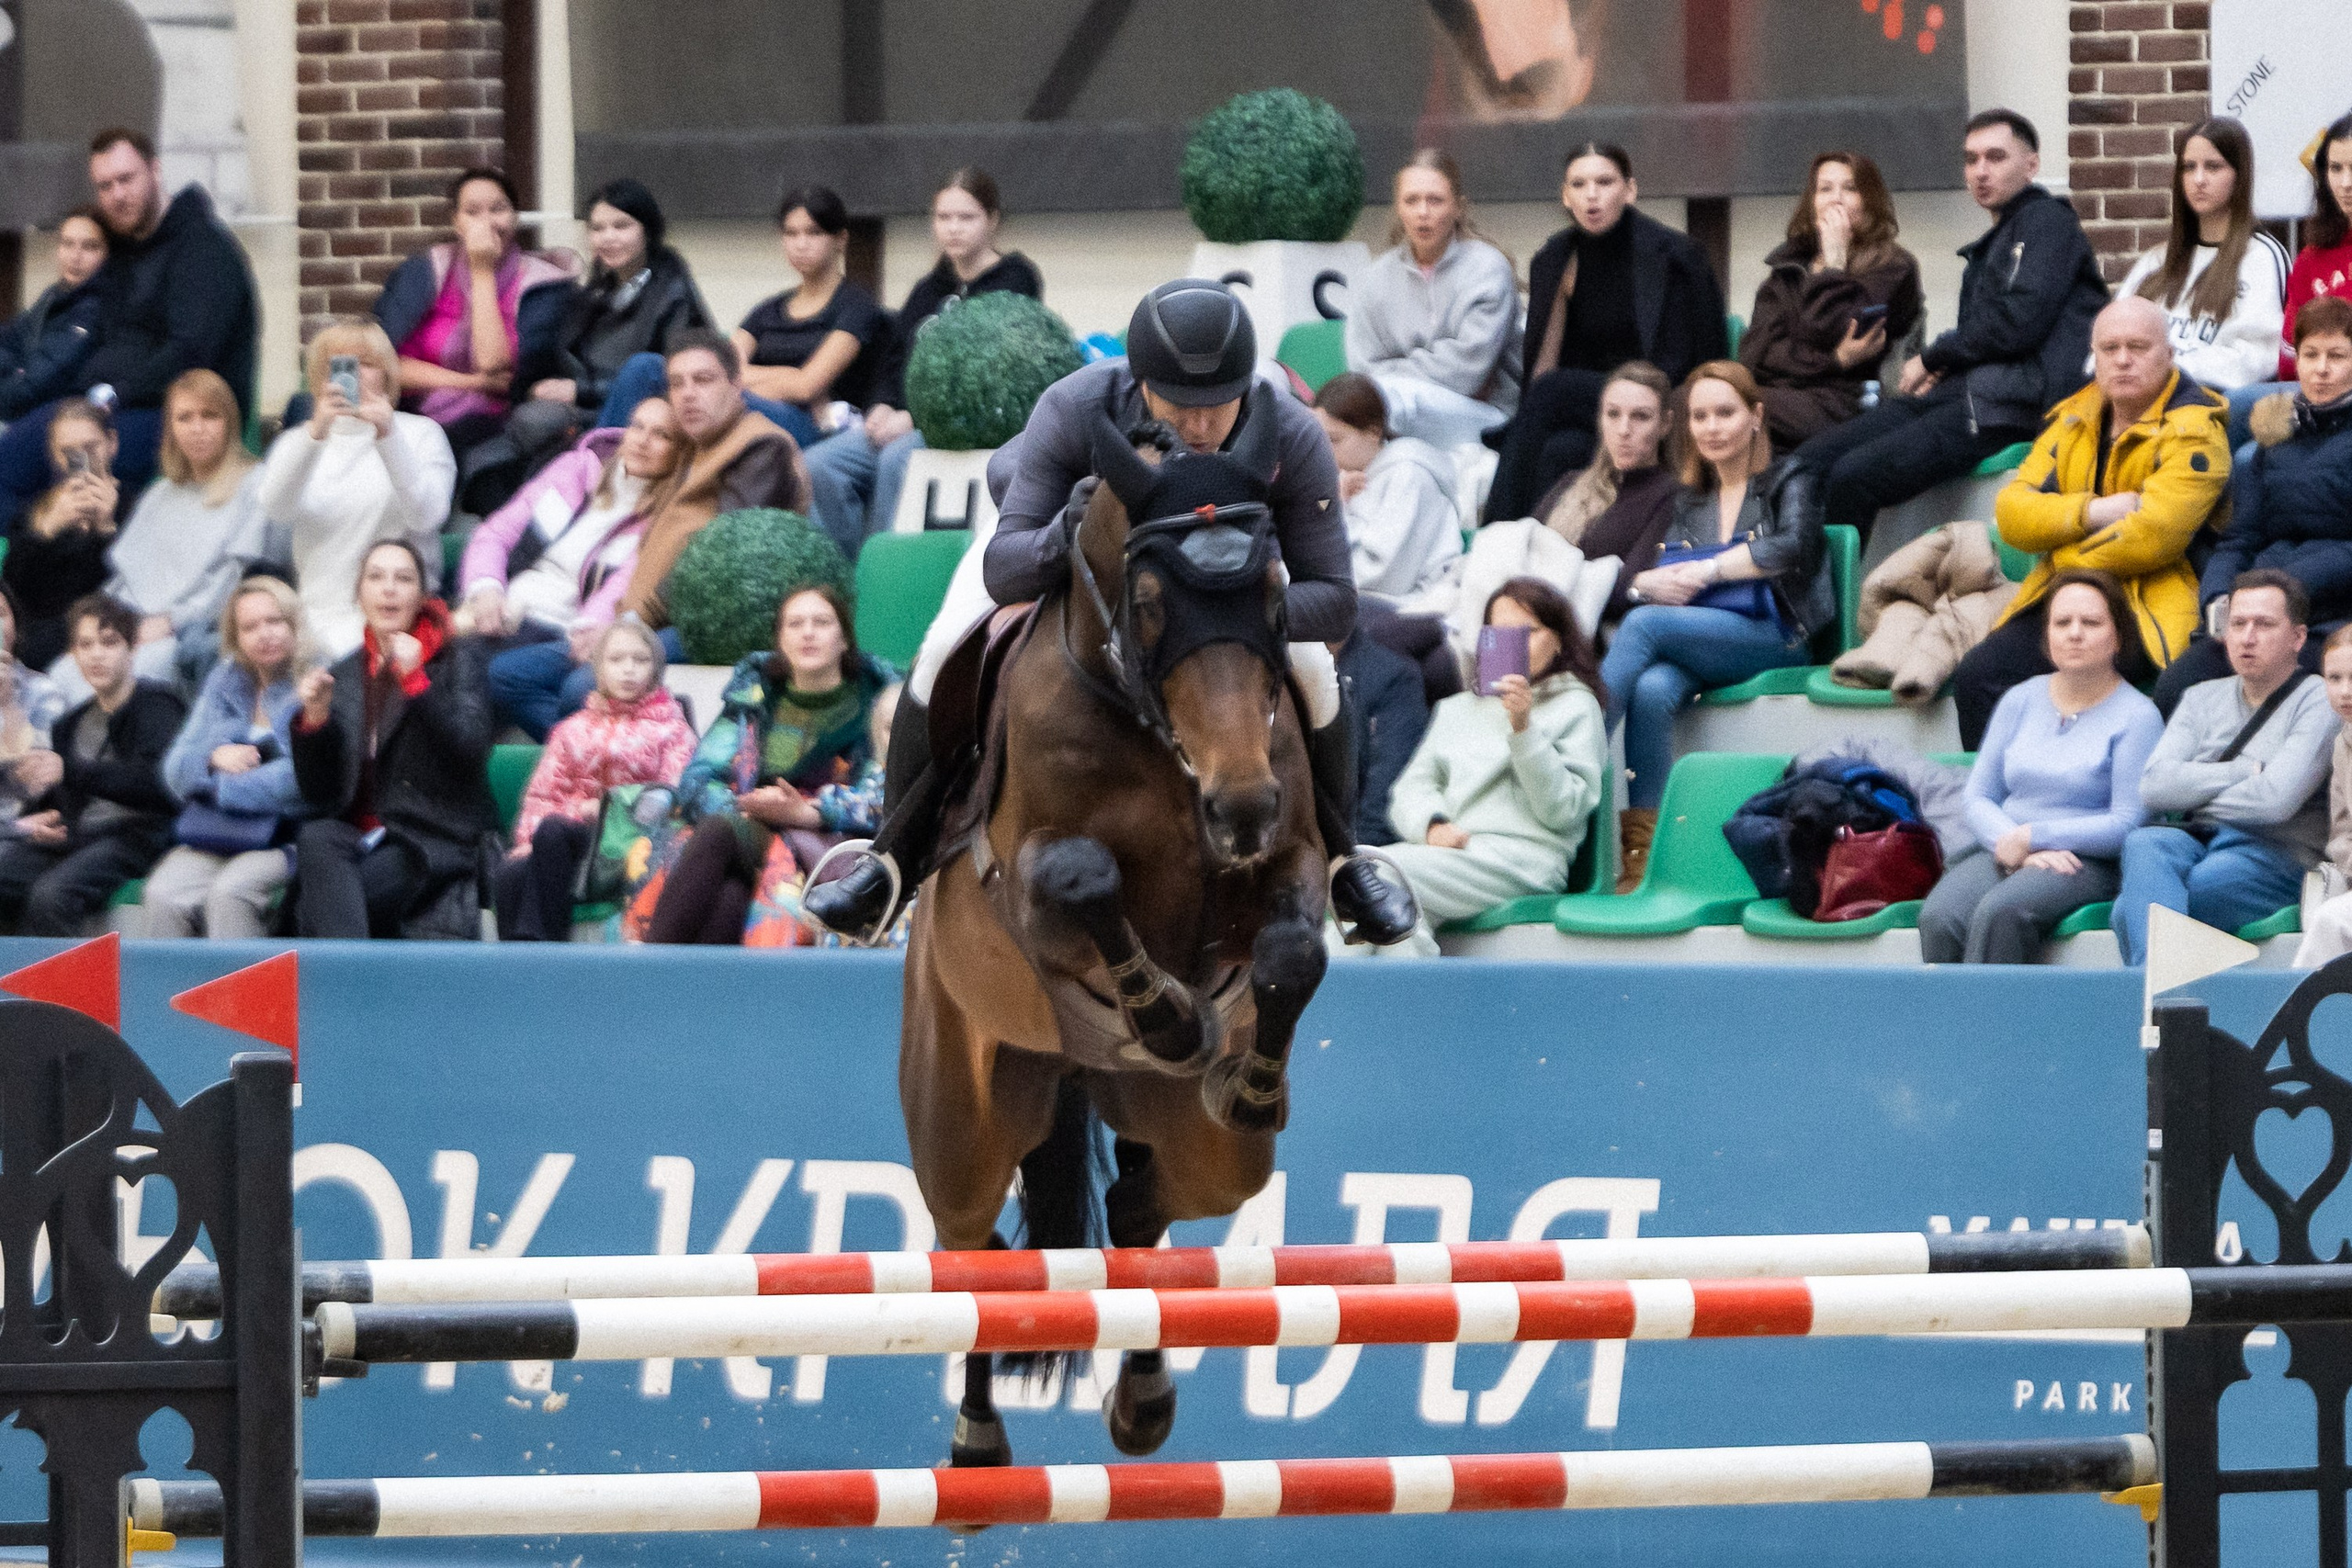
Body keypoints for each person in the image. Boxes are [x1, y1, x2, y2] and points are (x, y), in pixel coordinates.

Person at [804, 278, 1422, 949]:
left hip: (1232, 594)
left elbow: (1334, 599)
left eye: (1218, 405)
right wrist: (1064, 532)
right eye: (1181, 405)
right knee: (942, 646)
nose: (1200, 427)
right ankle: (890, 857)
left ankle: (1344, 860)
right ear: (1141, 383)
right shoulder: (1078, 406)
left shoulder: (1290, 433)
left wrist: (1231, 616)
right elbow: (1006, 566)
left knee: (1317, 671)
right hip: (1069, 558)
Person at [1794, 109, 2108, 545]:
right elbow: (1988, 335)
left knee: (1851, 476)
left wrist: (1932, 357)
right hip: (1964, 395)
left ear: (2031, 165)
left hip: (2006, 409)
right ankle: (1780, 581)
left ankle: (1831, 591)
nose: (1980, 171)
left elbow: (2018, 323)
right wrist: (1945, 365)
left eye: (1996, 157)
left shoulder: (2047, 222)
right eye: (1971, 159)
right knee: (1805, 463)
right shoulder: (1996, 241)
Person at [495, 334, 812, 735]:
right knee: (510, 675)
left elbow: (718, 564)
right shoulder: (693, 447)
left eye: (703, 380)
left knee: (582, 688)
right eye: (677, 383)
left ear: (736, 386)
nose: (688, 394)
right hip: (647, 619)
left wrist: (629, 627)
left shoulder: (760, 447)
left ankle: (611, 757)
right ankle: (606, 755)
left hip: (709, 627)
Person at [1951, 296, 2228, 749]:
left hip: (2145, 602)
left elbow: (2149, 540)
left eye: (2138, 347)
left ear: (2169, 353)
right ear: (2094, 355)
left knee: (2081, 679)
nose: (2123, 359)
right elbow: (2012, 515)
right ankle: (1997, 792)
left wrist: (2059, 546)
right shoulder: (2073, 417)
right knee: (1979, 676)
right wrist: (2092, 511)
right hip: (2065, 595)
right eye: (2110, 348)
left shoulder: (2196, 431)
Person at [1600, 361, 1831, 888]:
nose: (1711, 427)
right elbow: (1665, 570)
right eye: (1699, 416)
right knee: (1652, 689)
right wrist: (1659, 582)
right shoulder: (1691, 499)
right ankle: (1643, 860)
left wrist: (1711, 569)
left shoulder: (1791, 476)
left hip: (1778, 634)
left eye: (1725, 413)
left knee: (1642, 627)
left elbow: (1794, 547)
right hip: (1707, 634)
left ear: (1756, 416)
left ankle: (1580, 746)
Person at [0, 130, 259, 525]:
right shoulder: (121, 252)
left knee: (69, 466)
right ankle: (36, 550)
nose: (117, 195)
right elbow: (76, 329)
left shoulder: (205, 250)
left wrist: (112, 394)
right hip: (99, 404)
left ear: (155, 171)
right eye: (105, 186)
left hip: (177, 413)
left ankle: (55, 547)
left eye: (126, 179)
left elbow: (191, 352)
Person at [1919, 571, 2163, 964]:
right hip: (2008, 845)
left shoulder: (2139, 717)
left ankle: (1998, 1009)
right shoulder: (2020, 699)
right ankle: (1949, 1008)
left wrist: (2035, 836)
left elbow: (2128, 822)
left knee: (2002, 912)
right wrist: (2011, 842)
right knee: (1941, 915)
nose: (2075, 633)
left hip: (2088, 859)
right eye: (2062, 623)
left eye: (2091, 623)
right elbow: (1978, 795)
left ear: (2118, 636)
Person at [1486, 142, 1727, 522]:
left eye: (1604, 182)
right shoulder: (1554, 259)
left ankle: (1495, 534)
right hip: (1591, 412)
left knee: (1551, 391)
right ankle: (1537, 552)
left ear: (1629, 190)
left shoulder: (1675, 256)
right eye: (1579, 184)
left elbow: (1692, 360)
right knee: (1560, 452)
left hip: (1658, 400)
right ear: (1565, 196)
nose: (1591, 195)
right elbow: (1543, 364)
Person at [803, 168, 1043, 548]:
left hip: (965, 426)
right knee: (820, 464)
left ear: (992, 221)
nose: (953, 228)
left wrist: (914, 418)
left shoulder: (1015, 281)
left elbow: (991, 376)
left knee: (896, 460)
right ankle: (843, 572)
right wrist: (881, 405)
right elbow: (894, 358)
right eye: (944, 217)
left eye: (966, 218)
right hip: (901, 418)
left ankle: (882, 571)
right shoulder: (927, 289)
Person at [644, 584, 891, 945]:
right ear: (780, 640)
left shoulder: (880, 702)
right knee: (728, 891)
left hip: (830, 845)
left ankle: (646, 967)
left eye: (821, 622)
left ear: (844, 639)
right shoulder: (753, 698)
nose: (807, 633)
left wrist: (810, 811)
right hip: (750, 828)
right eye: (795, 624)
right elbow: (698, 778)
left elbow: (888, 797)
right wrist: (749, 806)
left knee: (723, 857)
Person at [2113, 569, 2335, 965]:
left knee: (2140, 906)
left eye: (2264, 624)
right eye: (2238, 623)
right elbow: (2153, 787)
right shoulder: (2199, 698)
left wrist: (2191, 790)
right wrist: (2243, 772)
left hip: (2275, 852)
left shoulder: (2318, 699)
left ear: (2298, 638)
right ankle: (2162, 994)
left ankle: (2152, 993)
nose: (2247, 637)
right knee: (2144, 843)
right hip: (2195, 840)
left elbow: (2273, 803)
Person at [1381, 578, 1606, 953]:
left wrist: (1524, 729)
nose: (1513, 645)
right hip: (1451, 856)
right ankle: (1401, 989)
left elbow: (1563, 811)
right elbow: (1412, 788)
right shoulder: (1456, 709)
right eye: (1499, 634)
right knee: (1379, 910)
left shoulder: (1576, 706)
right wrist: (1432, 825)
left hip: (1526, 861)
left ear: (1558, 641)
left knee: (1375, 877)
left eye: (1528, 632)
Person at [289, 540, 496, 939]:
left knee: (316, 908)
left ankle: (344, 976)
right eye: (376, 578)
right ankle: (350, 971)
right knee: (315, 835)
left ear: (421, 597)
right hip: (360, 836)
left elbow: (469, 751)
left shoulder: (458, 660)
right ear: (359, 594)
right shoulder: (344, 673)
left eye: (403, 579)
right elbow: (319, 793)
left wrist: (417, 683)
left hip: (431, 837)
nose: (389, 589)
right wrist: (314, 722)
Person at [2160, 295, 2352, 713]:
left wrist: (2281, 591)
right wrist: (2218, 598)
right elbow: (2238, 539)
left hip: (2330, 617)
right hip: (2257, 612)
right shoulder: (2273, 439)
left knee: (2292, 701)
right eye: (2310, 355)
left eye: (2337, 356)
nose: (2321, 369)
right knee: (2177, 689)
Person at [466, 396, 685, 738]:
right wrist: (486, 586)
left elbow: (627, 581)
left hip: (560, 629)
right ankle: (597, 748)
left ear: (679, 452)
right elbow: (497, 532)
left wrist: (592, 625)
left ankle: (589, 749)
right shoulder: (575, 468)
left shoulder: (667, 515)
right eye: (637, 426)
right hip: (505, 605)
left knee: (477, 676)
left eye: (661, 435)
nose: (642, 440)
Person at [67, 368, 277, 702]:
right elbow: (124, 579)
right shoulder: (161, 492)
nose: (197, 429)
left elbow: (230, 582)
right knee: (63, 676)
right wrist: (102, 626)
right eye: (184, 418)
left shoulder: (256, 484)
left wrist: (169, 623)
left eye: (209, 416)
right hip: (126, 625)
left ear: (230, 423)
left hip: (185, 634)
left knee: (127, 678)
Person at [257, 318, 456, 659]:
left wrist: (387, 436)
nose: (354, 376)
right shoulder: (297, 442)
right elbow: (275, 508)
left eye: (367, 364)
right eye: (341, 365)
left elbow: (427, 516)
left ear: (386, 374)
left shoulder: (421, 434)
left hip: (400, 618)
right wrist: (316, 434)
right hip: (319, 614)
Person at [493, 617, 696, 942]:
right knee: (512, 873)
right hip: (571, 841)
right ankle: (524, 963)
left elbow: (672, 794)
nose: (628, 670)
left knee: (554, 830)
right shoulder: (572, 728)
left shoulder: (673, 730)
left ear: (656, 669)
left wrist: (606, 810)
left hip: (633, 841)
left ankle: (542, 951)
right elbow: (543, 794)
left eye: (640, 660)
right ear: (598, 669)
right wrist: (529, 840)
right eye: (616, 660)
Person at [0, 594, 184, 934]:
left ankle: (64, 972)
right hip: (78, 836)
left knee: (52, 896)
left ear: (132, 647)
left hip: (136, 836)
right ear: (73, 654)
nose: (96, 654)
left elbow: (156, 784)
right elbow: (68, 797)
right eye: (85, 645)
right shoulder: (69, 723)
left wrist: (68, 770)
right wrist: (43, 819)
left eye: (108, 642)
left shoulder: (157, 705)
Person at [141, 577, 312, 939]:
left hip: (290, 834)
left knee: (229, 893)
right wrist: (212, 757)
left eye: (274, 621)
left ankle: (244, 980)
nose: (264, 634)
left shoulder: (317, 679)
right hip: (219, 831)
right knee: (162, 893)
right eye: (250, 627)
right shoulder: (225, 680)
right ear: (236, 639)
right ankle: (171, 980)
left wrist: (220, 787)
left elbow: (303, 779)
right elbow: (174, 768)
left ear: (295, 623)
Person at [374, 167, 576, 461]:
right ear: (456, 222)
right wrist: (472, 383)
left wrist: (482, 271)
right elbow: (387, 363)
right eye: (472, 212)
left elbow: (494, 367)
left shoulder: (542, 285)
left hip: (494, 421)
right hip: (414, 411)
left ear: (515, 217)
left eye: (498, 209)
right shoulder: (427, 270)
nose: (486, 222)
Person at [1738, 151, 1925, 448]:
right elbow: (1756, 355)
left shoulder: (1892, 266)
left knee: (1735, 411)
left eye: (1850, 189)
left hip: (1849, 402)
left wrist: (1835, 262)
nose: (1836, 199)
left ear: (1870, 201)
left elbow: (1831, 327)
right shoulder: (1789, 266)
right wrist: (1835, 360)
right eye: (1825, 189)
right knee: (1693, 399)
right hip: (1780, 395)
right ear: (1812, 202)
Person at [1345, 149, 1521, 449]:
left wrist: (1393, 372)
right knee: (1372, 409)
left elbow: (1467, 373)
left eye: (1435, 200)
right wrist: (1400, 377)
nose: (1423, 212)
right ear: (1398, 208)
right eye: (1411, 200)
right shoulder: (1375, 277)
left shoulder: (1488, 268)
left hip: (1488, 415)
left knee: (1392, 401)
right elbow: (1362, 370)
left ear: (1458, 208)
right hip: (1399, 406)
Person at [517, 177, 710, 431]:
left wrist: (581, 390)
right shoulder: (597, 290)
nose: (608, 238)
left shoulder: (673, 293)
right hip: (587, 406)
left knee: (536, 424)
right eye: (597, 229)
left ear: (647, 230)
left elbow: (663, 376)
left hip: (638, 414)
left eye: (621, 226)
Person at [2114, 118, 2289, 395]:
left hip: (2212, 402)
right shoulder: (2156, 260)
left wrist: (2170, 369)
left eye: (2213, 167)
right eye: (2189, 167)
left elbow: (2261, 357)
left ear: (2239, 175)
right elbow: (2111, 337)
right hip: (2139, 398)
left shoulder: (2261, 256)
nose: (2198, 180)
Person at [729, 186, 888, 456]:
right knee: (656, 369)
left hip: (816, 427)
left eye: (813, 233)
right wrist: (789, 376)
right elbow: (722, 369)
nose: (801, 244)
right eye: (791, 233)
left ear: (840, 239)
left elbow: (807, 387)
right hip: (757, 413)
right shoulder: (768, 310)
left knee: (716, 401)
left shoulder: (855, 305)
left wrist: (740, 383)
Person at [1534, 360, 1680, 631]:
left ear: (1665, 424)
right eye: (1613, 414)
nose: (1624, 430)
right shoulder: (1571, 481)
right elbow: (1526, 549)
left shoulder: (1671, 495)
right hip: (1529, 619)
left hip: (1586, 634)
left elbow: (1625, 594)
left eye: (1640, 417)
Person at [1311, 372, 1462, 604]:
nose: (1323, 451)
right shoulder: (1341, 477)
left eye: (1334, 440)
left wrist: (1334, 513)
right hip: (1354, 597)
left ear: (1373, 433)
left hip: (1411, 605)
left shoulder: (1410, 476)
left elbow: (1385, 578)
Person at [6, 400, 131, 671]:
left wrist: (104, 531)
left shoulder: (133, 505)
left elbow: (127, 589)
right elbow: (13, 590)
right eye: (68, 452)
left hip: (98, 632)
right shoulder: (36, 512)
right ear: (54, 454)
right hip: (33, 634)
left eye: (90, 447)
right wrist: (47, 531)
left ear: (111, 443)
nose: (81, 460)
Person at [0, 209, 107, 423]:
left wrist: (17, 372)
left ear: (108, 254)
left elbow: (33, 387)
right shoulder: (55, 294)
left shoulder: (94, 309)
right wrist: (15, 370)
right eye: (67, 244)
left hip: (54, 418)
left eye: (89, 247)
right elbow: (10, 338)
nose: (75, 257)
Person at [2292, 625, 2352, 968]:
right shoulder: (2342, 744)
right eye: (2334, 678)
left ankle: (2295, 999)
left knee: (2331, 920)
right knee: (2326, 912)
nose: (2345, 691)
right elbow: (2341, 835)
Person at [0, 585, 66, 833]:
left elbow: (36, 782)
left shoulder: (42, 691)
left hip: (20, 830)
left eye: (0, 614)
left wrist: (7, 704)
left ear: (15, 625)